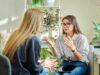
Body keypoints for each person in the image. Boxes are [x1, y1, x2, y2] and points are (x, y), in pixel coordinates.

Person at [2, 8, 56, 75]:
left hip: (10, 72)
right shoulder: (33, 39)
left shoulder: (15, 35)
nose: (42, 24)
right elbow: (34, 70)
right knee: (47, 70)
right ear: (37, 22)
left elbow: (22, 61)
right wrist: (44, 65)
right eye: (42, 21)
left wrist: (41, 63)